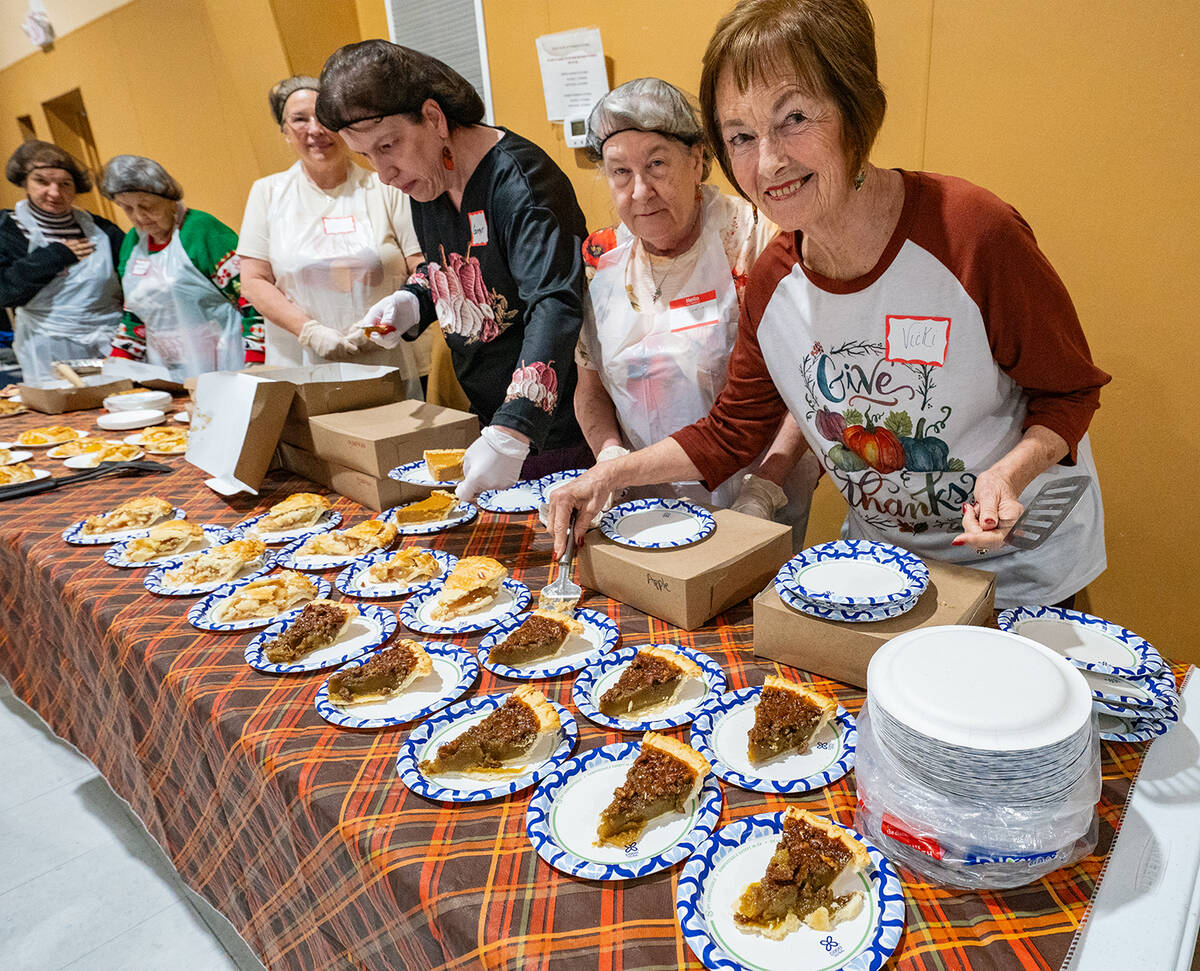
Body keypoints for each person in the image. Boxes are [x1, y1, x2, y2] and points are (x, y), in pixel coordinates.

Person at [548, 0, 1110, 609]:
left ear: (854, 110)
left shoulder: (972, 233)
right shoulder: (772, 280)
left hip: (1018, 568)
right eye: (741, 136)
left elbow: (1069, 390)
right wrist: (610, 472)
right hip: (886, 570)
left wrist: (1008, 473)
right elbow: (731, 432)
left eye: (794, 118)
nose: (768, 163)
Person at [316, 40, 593, 500]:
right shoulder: (426, 181)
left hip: (555, 428)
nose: (384, 172)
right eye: (366, 156)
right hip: (491, 420)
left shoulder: (522, 181)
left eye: (389, 146)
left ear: (435, 117)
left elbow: (554, 303)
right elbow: (452, 265)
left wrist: (514, 429)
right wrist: (411, 301)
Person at [577, 77, 819, 541]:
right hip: (643, 511)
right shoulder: (602, 262)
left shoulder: (757, 238)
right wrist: (609, 455)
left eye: (657, 164)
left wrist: (766, 488)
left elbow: (810, 382)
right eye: (619, 172)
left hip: (757, 501)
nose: (640, 191)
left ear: (699, 161)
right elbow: (589, 386)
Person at [238, 76, 428, 394]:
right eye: (299, 120)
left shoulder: (386, 187)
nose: (315, 130)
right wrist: (310, 332)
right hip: (301, 365)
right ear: (285, 133)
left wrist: (383, 324)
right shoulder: (267, 193)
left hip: (385, 359)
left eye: (324, 117)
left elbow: (421, 265)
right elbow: (253, 280)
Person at [101, 155, 263, 381]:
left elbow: (253, 296)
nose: (139, 217)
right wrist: (118, 365)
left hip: (228, 364)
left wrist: (256, 362)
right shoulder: (131, 244)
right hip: (167, 374)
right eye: (127, 208)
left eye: (147, 206)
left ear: (170, 199)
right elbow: (135, 314)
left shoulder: (201, 231)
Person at [0, 141, 124, 383]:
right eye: (42, 182)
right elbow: (5, 292)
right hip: (46, 346)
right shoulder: (7, 230)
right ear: (24, 181)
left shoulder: (103, 230)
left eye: (65, 184)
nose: (55, 193)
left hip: (109, 341)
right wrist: (56, 255)